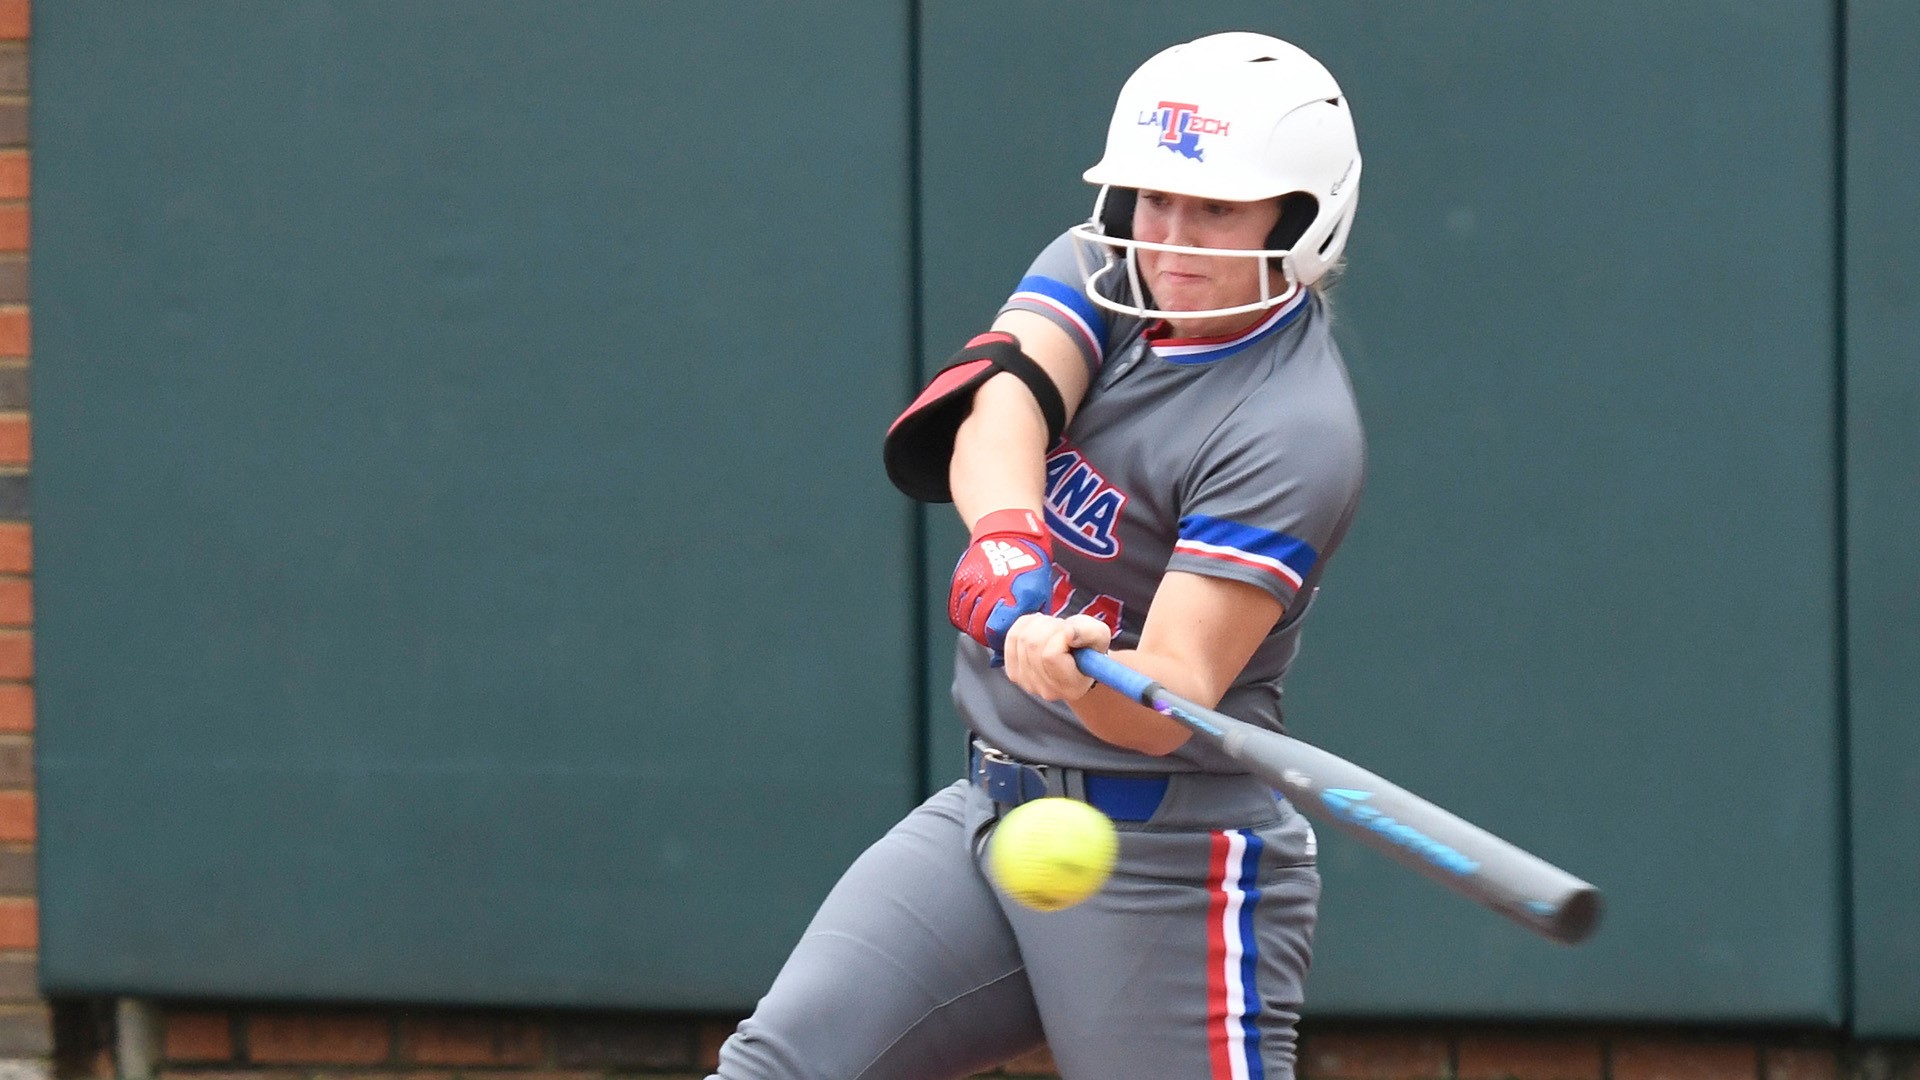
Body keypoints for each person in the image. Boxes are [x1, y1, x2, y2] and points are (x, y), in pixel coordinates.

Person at [710, 31, 1366, 1080]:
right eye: (1154, 199)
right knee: (777, 1069)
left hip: (1169, 858)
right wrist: (1013, 549)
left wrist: (1067, 653)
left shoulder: (1292, 429)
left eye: (1215, 210)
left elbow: (1170, 697)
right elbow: (1001, 406)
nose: (1173, 237)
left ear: (1299, 218)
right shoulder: (1103, 267)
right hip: (991, 807)